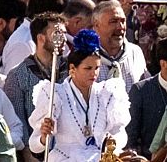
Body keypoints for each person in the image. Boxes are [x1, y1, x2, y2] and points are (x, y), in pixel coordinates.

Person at [27, 29, 130, 162]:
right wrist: (43, 136)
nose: (94, 74)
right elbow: (34, 146)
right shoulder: (54, 95)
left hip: (100, 158)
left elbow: (120, 132)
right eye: (88, 69)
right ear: (72, 69)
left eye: (97, 68)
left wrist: (111, 145)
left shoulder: (107, 93)